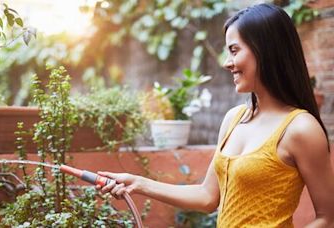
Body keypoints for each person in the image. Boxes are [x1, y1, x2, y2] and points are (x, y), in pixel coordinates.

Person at [97, 3, 334, 227]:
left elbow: (327, 217)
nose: (227, 63)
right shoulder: (234, 118)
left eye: (234, 50)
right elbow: (207, 197)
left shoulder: (301, 128)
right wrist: (138, 183)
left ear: (266, 50)